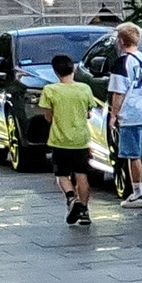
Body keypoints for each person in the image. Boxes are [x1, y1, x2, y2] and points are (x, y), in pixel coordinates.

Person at [38, 52, 98, 226]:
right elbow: (88, 113)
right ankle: (84, 210)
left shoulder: (50, 90)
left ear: (56, 72)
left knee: (62, 174)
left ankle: (72, 198)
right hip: (81, 139)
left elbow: (48, 116)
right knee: (82, 175)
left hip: (59, 139)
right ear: (74, 69)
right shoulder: (84, 88)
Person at [106, 20, 142, 205]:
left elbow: (118, 92)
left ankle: (137, 192)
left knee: (133, 155)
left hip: (130, 113)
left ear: (121, 41)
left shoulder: (122, 63)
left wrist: (114, 115)